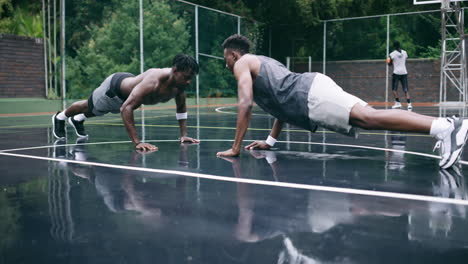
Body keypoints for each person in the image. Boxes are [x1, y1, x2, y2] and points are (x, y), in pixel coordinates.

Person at [216, 34, 468, 169]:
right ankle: (443, 127)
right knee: (369, 118)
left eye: (225, 59)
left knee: (368, 118)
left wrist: (236, 147)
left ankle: (445, 127)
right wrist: (270, 141)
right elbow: (281, 104)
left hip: (310, 95)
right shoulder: (264, 62)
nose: (226, 64)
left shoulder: (241, 64)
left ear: (234, 54)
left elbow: (245, 103)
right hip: (311, 89)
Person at [52, 54, 200, 151]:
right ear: (174, 70)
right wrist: (137, 142)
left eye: (191, 78)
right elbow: (127, 108)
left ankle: (78, 119)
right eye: (186, 77)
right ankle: (60, 117)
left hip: (127, 93)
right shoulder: (153, 81)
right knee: (89, 106)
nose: (188, 82)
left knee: (98, 111)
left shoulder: (179, 87)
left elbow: (181, 108)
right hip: (113, 89)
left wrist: (184, 134)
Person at [387, 41, 412, 110]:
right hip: (404, 72)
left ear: (394, 46)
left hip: (396, 73)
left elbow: (389, 63)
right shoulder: (405, 52)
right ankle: (409, 104)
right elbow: (405, 59)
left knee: (394, 89)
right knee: (405, 89)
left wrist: (389, 62)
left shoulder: (392, 54)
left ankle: (398, 103)